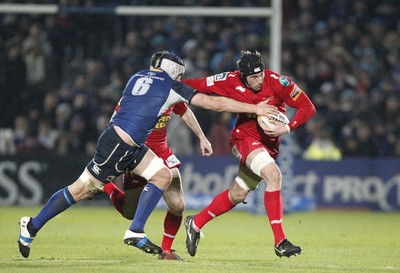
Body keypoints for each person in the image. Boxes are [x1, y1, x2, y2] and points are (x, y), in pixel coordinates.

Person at [18, 50, 276, 258]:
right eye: (180, 73)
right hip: (119, 146)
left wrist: (200, 136)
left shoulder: (137, 77)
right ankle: (31, 226)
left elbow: (130, 109)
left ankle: (136, 231)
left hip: (131, 145)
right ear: (174, 71)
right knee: (80, 189)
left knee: (162, 176)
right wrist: (255, 107)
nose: (181, 76)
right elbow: (215, 103)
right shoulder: (170, 86)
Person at [182, 50, 316, 258]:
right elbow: (198, 84)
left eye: (261, 74)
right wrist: (167, 85)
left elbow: (307, 107)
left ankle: (195, 223)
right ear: (242, 77)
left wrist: (288, 128)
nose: (259, 80)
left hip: (268, 146)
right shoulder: (228, 80)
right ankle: (280, 241)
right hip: (243, 140)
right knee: (273, 175)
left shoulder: (279, 83)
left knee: (238, 194)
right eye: (253, 77)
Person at [103, 101, 213, 260]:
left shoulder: (172, 92)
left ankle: (166, 251)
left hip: (162, 154)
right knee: (129, 212)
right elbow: (114, 122)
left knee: (178, 206)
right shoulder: (138, 92)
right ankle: (106, 187)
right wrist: (119, 152)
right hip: (137, 156)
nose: (179, 75)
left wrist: (202, 137)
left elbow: (185, 111)